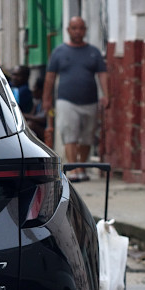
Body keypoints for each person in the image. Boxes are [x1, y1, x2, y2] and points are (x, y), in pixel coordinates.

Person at [43, 17, 108, 182]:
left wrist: (106, 95)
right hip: (66, 100)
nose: (77, 31)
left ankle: (81, 166)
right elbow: (50, 77)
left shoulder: (94, 52)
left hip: (90, 101)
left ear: (85, 30)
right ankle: (74, 169)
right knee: (70, 134)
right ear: (68, 30)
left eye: (80, 28)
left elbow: (102, 75)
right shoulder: (59, 52)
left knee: (87, 136)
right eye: (74, 28)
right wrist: (46, 98)